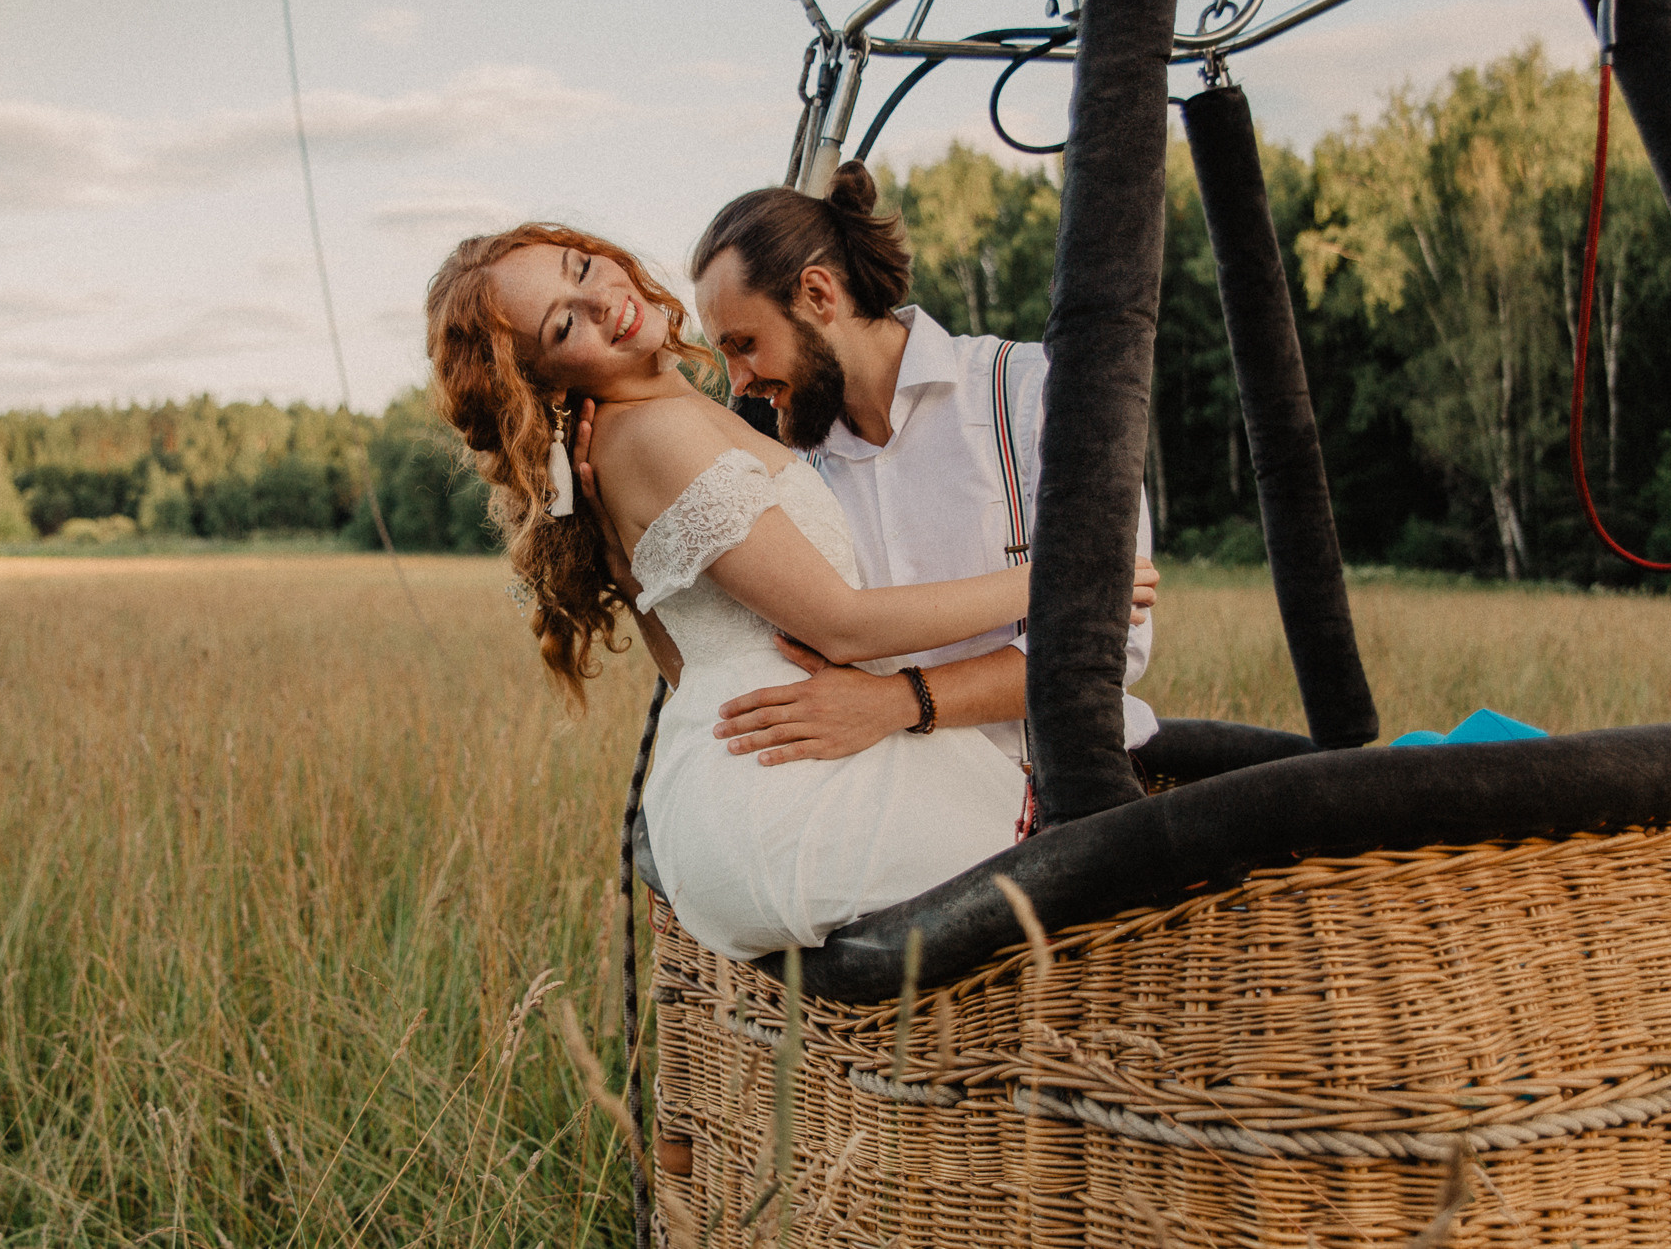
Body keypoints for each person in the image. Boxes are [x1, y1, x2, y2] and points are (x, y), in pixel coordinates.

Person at [428, 224, 1038, 961]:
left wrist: (629, 578)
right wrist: (1051, 580)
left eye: (583, 266)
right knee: (1058, 867)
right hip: (785, 797)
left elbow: (700, 662)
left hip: (750, 776)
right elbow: (840, 626)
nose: (602, 301)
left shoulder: (666, 422)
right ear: (548, 382)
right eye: (564, 324)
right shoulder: (659, 431)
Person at [675, 160, 1158, 778]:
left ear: (819, 295)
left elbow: (1105, 644)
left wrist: (899, 701)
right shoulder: (798, 475)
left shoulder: (1032, 389)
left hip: (1072, 797)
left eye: (744, 344)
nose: (739, 381)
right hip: (896, 808)